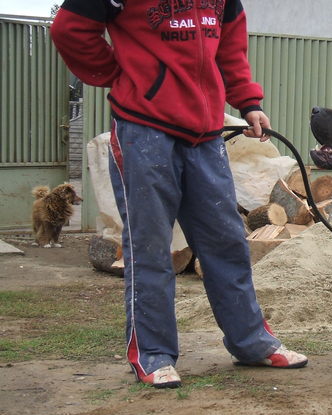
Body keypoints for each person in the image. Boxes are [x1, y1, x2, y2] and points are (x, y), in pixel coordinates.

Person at [51, 0, 308, 388]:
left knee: (227, 243)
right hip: (144, 130)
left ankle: (252, 342)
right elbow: (69, 30)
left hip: (205, 133)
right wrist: (124, 77)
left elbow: (230, 46)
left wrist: (248, 101)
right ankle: (153, 354)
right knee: (150, 246)